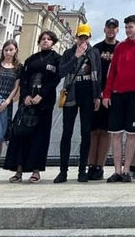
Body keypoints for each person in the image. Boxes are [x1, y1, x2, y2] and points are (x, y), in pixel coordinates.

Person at [5, 30, 61, 183]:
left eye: (48, 39)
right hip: (28, 102)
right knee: (21, 135)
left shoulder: (56, 59)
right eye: (43, 39)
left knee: (40, 137)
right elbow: (24, 79)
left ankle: (36, 170)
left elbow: (55, 79)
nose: (45, 41)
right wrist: (25, 96)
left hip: (44, 103)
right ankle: (18, 170)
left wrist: (41, 95)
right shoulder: (31, 59)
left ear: (53, 42)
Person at [102, 15, 135, 182]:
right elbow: (112, 71)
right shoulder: (120, 47)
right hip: (118, 94)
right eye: (127, 27)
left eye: (131, 27)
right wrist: (107, 93)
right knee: (116, 134)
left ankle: (127, 170)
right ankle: (117, 170)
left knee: (132, 134)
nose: (128, 30)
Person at [53, 24, 102, 183]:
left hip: (87, 93)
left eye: (85, 37)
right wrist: (75, 56)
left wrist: (97, 96)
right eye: (80, 37)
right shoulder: (68, 53)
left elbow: (98, 74)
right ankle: (63, 171)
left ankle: (82, 170)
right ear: (76, 37)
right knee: (66, 132)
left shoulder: (94, 52)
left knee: (86, 132)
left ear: (89, 37)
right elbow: (61, 72)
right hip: (71, 93)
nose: (83, 40)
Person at [88, 17, 119, 180]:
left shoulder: (120, 48)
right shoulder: (96, 49)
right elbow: (92, 72)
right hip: (96, 95)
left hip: (112, 95)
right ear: (105, 29)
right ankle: (91, 165)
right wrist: (97, 92)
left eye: (114, 28)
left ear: (117, 30)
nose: (111, 30)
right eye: (109, 27)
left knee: (106, 132)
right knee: (94, 132)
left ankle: (100, 166)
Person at [0, 40, 21, 182]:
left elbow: (15, 88)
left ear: (16, 51)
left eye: (11, 50)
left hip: (5, 106)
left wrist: (6, 102)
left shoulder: (18, 68)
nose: (8, 52)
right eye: (6, 50)